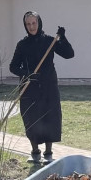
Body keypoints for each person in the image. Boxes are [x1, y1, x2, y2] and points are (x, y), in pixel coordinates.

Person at [9, 11, 75, 162]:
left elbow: (69, 54)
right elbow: (13, 67)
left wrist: (63, 38)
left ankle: (48, 153)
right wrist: (27, 74)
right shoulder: (22, 44)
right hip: (29, 88)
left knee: (49, 118)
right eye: (28, 24)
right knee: (31, 119)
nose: (31, 27)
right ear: (25, 25)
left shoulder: (49, 41)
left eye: (34, 23)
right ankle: (35, 152)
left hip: (48, 87)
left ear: (39, 23)